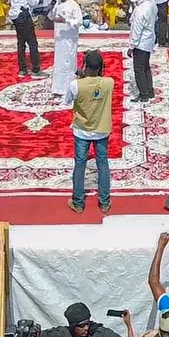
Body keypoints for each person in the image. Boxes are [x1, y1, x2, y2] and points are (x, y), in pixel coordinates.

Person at [65, 50, 115, 214]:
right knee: (103, 164)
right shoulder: (109, 82)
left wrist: (81, 79)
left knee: (80, 165)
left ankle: (78, 202)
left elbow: (67, 101)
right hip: (101, 130)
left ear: (85, 66)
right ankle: (104, 201)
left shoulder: (75, 85)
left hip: (82, 131)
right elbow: (98, 84)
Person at [38, 302, 148, 337]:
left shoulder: (100, 334)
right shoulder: (61, 335)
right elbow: (39, 336)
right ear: (72, 327)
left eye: (88, 323)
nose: (86, 328)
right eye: (81, 325)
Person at [9, 0, 44, 77]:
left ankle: (23, 69)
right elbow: (33, 2)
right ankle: (35, 69)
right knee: (32, 43)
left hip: (15, 15)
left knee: (21, 43)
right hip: (23, 16)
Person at [49, 0, 83, 96]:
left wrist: (66, 20)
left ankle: (68, 88)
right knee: (59, 64)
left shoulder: (74, 5)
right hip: (59, 39)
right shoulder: (58, 4)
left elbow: (79, 22)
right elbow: (52, 17)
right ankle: (58, 88)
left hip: (69, 40)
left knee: (67, 64)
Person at [129, 0, 157, 102]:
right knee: (146, 67)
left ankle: (143, 94)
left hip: (140, 42)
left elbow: (137, 28)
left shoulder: (142, 9)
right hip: (149, 40)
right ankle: (150, 90)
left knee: (139, 69)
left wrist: (132, 45)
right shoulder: (152, 4)